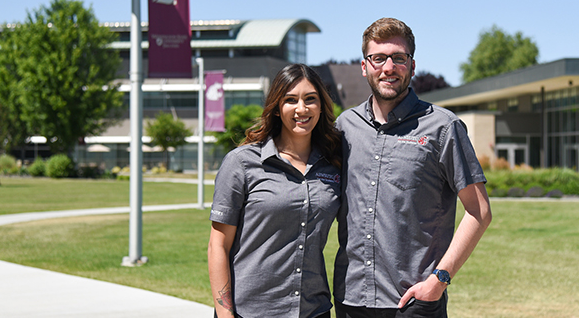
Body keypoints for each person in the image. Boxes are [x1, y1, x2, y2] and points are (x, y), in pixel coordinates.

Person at [333, 18, 492, 318]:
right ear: (364, 66)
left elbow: (480, 211)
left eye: (399, 58)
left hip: (415, 303)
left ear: (413, 65)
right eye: (378, 58)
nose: (389, 67)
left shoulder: (444, 128)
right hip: (351, 300)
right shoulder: (345, 127)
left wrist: (439, 280)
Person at [208, 63, 342, 318]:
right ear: (277, 108)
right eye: (290, 100)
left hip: (314, 310)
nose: (301, 109)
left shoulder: (334, 165)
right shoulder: (242, 162)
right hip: (251, 311)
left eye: (310, 99)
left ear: (321, 106)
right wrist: (225, 315)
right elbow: (218, 245)